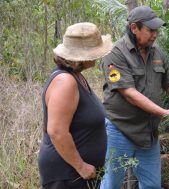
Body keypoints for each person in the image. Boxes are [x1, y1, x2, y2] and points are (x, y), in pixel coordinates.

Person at [100, 6, 169, 189]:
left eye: (156, 30)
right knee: (111, 184)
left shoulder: (157, 53)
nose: (155, 34)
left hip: (148, 132)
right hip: (120, 130)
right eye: (150, 30)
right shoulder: (115, 54)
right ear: (134, 28)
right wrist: (165, 113)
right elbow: (129, 94)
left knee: (152, 185)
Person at [38, 22, 113, 189]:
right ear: (81, 56)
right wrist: (80, 166)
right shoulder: (65, 81)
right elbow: (57, 131)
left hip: (79, 174)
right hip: (67, 175)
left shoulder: (76, 76)